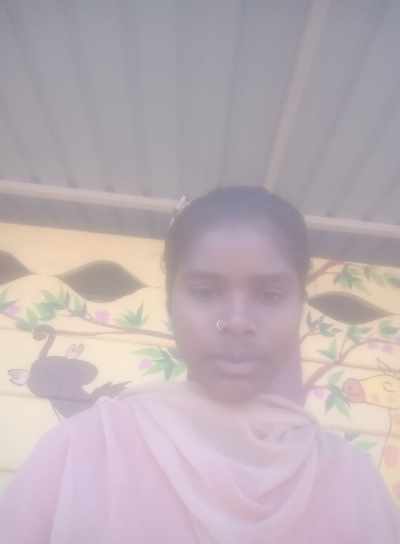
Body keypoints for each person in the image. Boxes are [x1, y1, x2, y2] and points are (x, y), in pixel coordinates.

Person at [0, 186, 399, 543]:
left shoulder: (353, 485)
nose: (237, 321)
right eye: (205, 292)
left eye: (270, 294)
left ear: (299, 306)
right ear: (170, 304)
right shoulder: (83, 452)